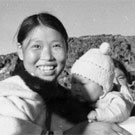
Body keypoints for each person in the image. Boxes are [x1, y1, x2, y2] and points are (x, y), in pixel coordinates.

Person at [0, 12, 132, 135]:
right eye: (36, 46)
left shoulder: (72, 100)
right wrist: (79, 132)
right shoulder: (9, 99)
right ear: (20, 51)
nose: (47, 56)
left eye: (56, 46)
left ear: (67, 49)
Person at [71, 42, 133, 123]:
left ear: (103, 88)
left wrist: (98, 115)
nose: (76, 88)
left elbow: (121, 109)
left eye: (82, 83)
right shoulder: (77, 100)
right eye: (73, 82)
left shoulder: (112, 98)